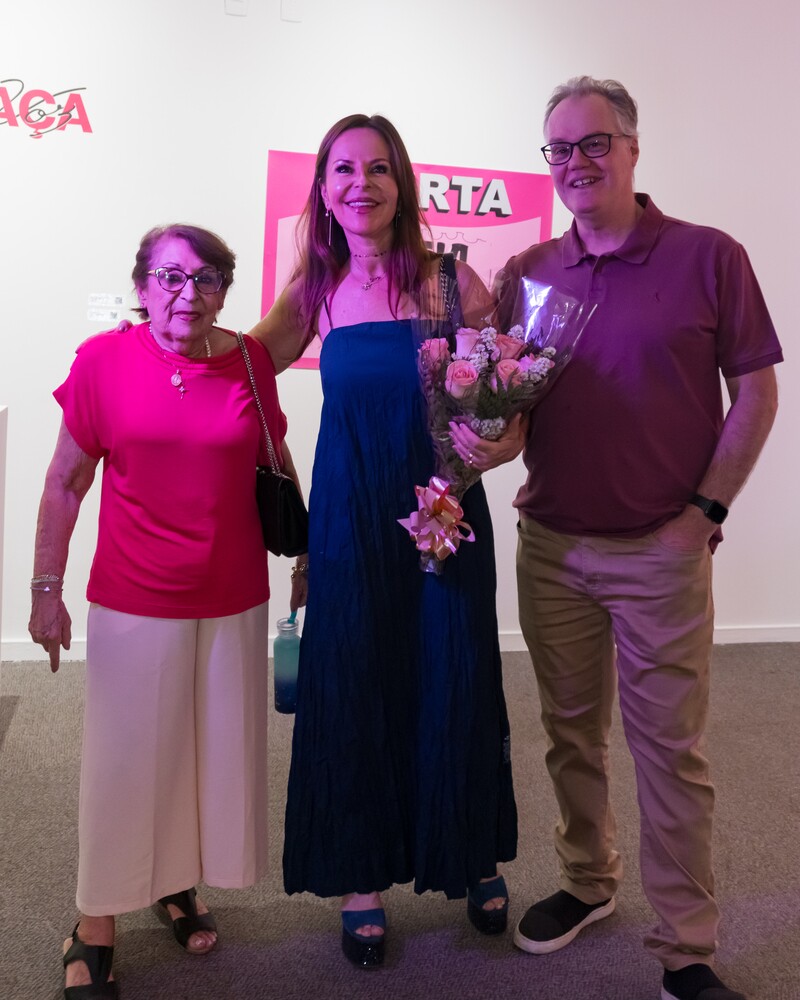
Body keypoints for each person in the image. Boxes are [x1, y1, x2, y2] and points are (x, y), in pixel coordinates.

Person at [452, 77, 782, 1000]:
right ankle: (588, 882)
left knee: (669, 749)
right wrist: (482, 442)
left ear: (633, 148)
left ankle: (687, 947)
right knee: (570, 736)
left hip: (661, 549)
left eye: (593, 144)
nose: (575, 164)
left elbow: (756, 392)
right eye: (557, 150)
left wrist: (705, 514)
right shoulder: (527, 275)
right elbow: (512, 416)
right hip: (551, 547)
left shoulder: (709, 257)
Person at [248, 113, 518, 967]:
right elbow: (242, 375)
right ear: (323, 190)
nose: (359, 183)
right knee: (356, 674)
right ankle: (361, 875)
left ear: (401, 182)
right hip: (351, 520)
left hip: (444, 511)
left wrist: (503, 441)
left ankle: (468, 852)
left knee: (454, 671)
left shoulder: (453, 285)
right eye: (341, 170)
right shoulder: (315, 289)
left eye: (376, 168)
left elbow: (508, 396)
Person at [29, 223, 296, 998]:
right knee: (124, 764)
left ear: (225, 291)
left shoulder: (249, 361)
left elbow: (274, 459)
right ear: (144, 286)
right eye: (171, 277)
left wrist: (308, 552)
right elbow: (63, 482)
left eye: (208, 278)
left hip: (234, 595)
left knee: (202, 755)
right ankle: (94, 919)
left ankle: (172, 880)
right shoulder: (104, 361)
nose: (190, 293)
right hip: (135, 597)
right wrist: (45, 590)